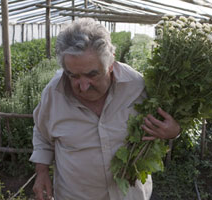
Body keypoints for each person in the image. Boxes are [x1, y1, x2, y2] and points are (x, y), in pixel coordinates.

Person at [29, 18, 181, 200]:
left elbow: (168, 124)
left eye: (92, 74)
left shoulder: (137, 87)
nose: (83, 86)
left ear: (110, 64)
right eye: (73, 76)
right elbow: (42, 132)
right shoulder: (54, 94)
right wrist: (42, 171)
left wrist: (173, 132)